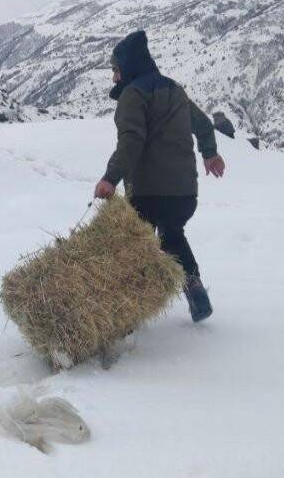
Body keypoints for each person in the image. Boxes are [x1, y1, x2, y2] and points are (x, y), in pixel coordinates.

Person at [93, 30, 225, 323]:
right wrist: (210, 154)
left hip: (148, 192)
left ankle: (126, 310)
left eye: (115, 69)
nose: (114, 77)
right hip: (184, 193)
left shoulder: (133, 95)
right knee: (172, 235)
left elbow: (131, 141)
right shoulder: (175, 90)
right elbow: (203, 125)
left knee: (135, 245)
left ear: (127, 67)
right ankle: (194, 287)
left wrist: (109, 178)